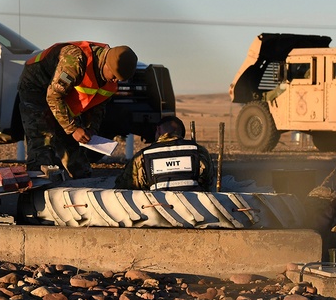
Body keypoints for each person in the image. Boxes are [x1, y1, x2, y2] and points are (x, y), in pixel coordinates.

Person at [18, 42, 138, 179]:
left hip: (61, 95)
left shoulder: (110, 81)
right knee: (43, 139)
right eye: (115, 76)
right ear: (105, 63)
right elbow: (54, 96)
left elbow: (98, 108)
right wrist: (72, 128)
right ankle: (37, 186)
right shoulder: (75, 60)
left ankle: (82, 182)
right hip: (36, 86)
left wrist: (91, 129)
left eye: (119, 79)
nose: (115, 81)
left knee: (73, 148)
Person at [115, 115, 215, 191]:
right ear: (180, 133)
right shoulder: (199, 151)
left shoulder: (143, 156)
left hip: (156, 207)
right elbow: (208, 182)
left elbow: (127, 186)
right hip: (194, 207)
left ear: (158, 129)